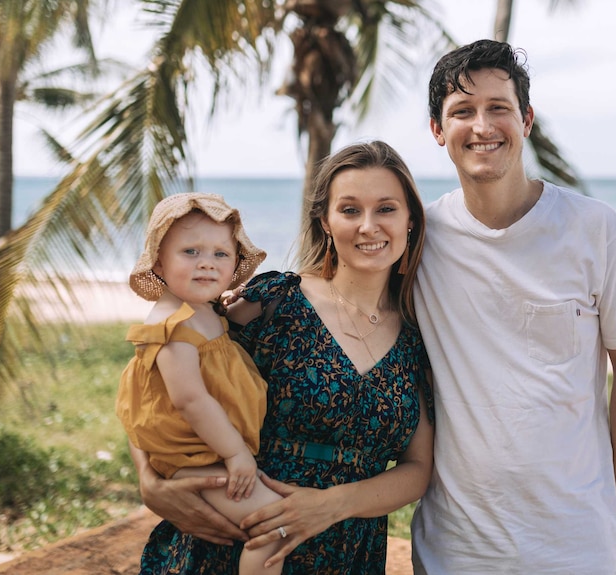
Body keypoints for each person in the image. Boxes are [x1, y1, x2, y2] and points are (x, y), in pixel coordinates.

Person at [409, 39, 616, 574]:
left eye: (498, 108)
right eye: (462, 111)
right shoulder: (418, 240)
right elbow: (340, 299)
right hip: (456, 548)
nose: (482, 125)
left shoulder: (594, 227)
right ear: (438, 130)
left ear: (525, 120)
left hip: (579, 541)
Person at [128, 141, 434, 574]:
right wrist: (148, 478)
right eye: (349, 210)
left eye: (386, 209)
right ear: (325, 221)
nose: (368, 226)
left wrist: (330, 506)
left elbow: (417, 470)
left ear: (410, 221)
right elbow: (161, 374)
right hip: (235, 544)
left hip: (348, 554)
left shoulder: (415, 339)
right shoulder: (273, 303)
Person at [115, 193, 286, 575]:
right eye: (190, 252)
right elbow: (191, 399)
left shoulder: (201, 311)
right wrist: (236, 454)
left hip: (205, 450)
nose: (207, 262)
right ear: (160, 261)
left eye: (220, 255)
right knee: (272, 526)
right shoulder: (172, 325)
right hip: (193, 456)